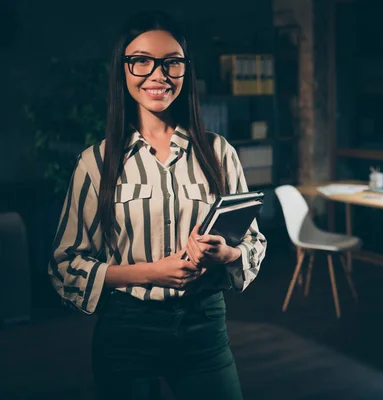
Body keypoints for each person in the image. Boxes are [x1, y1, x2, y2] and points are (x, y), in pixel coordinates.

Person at [48, 10, 267, 399]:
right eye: (141, 61)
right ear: (122, 69)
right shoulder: (95, 162)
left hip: (205, 325)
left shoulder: (219, 152)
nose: (158, 75)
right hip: (127, 330)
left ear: (185, 70)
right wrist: (150, 273)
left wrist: (226, 251)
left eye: (172, 63)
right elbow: (67, 265)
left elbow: (253, 244)